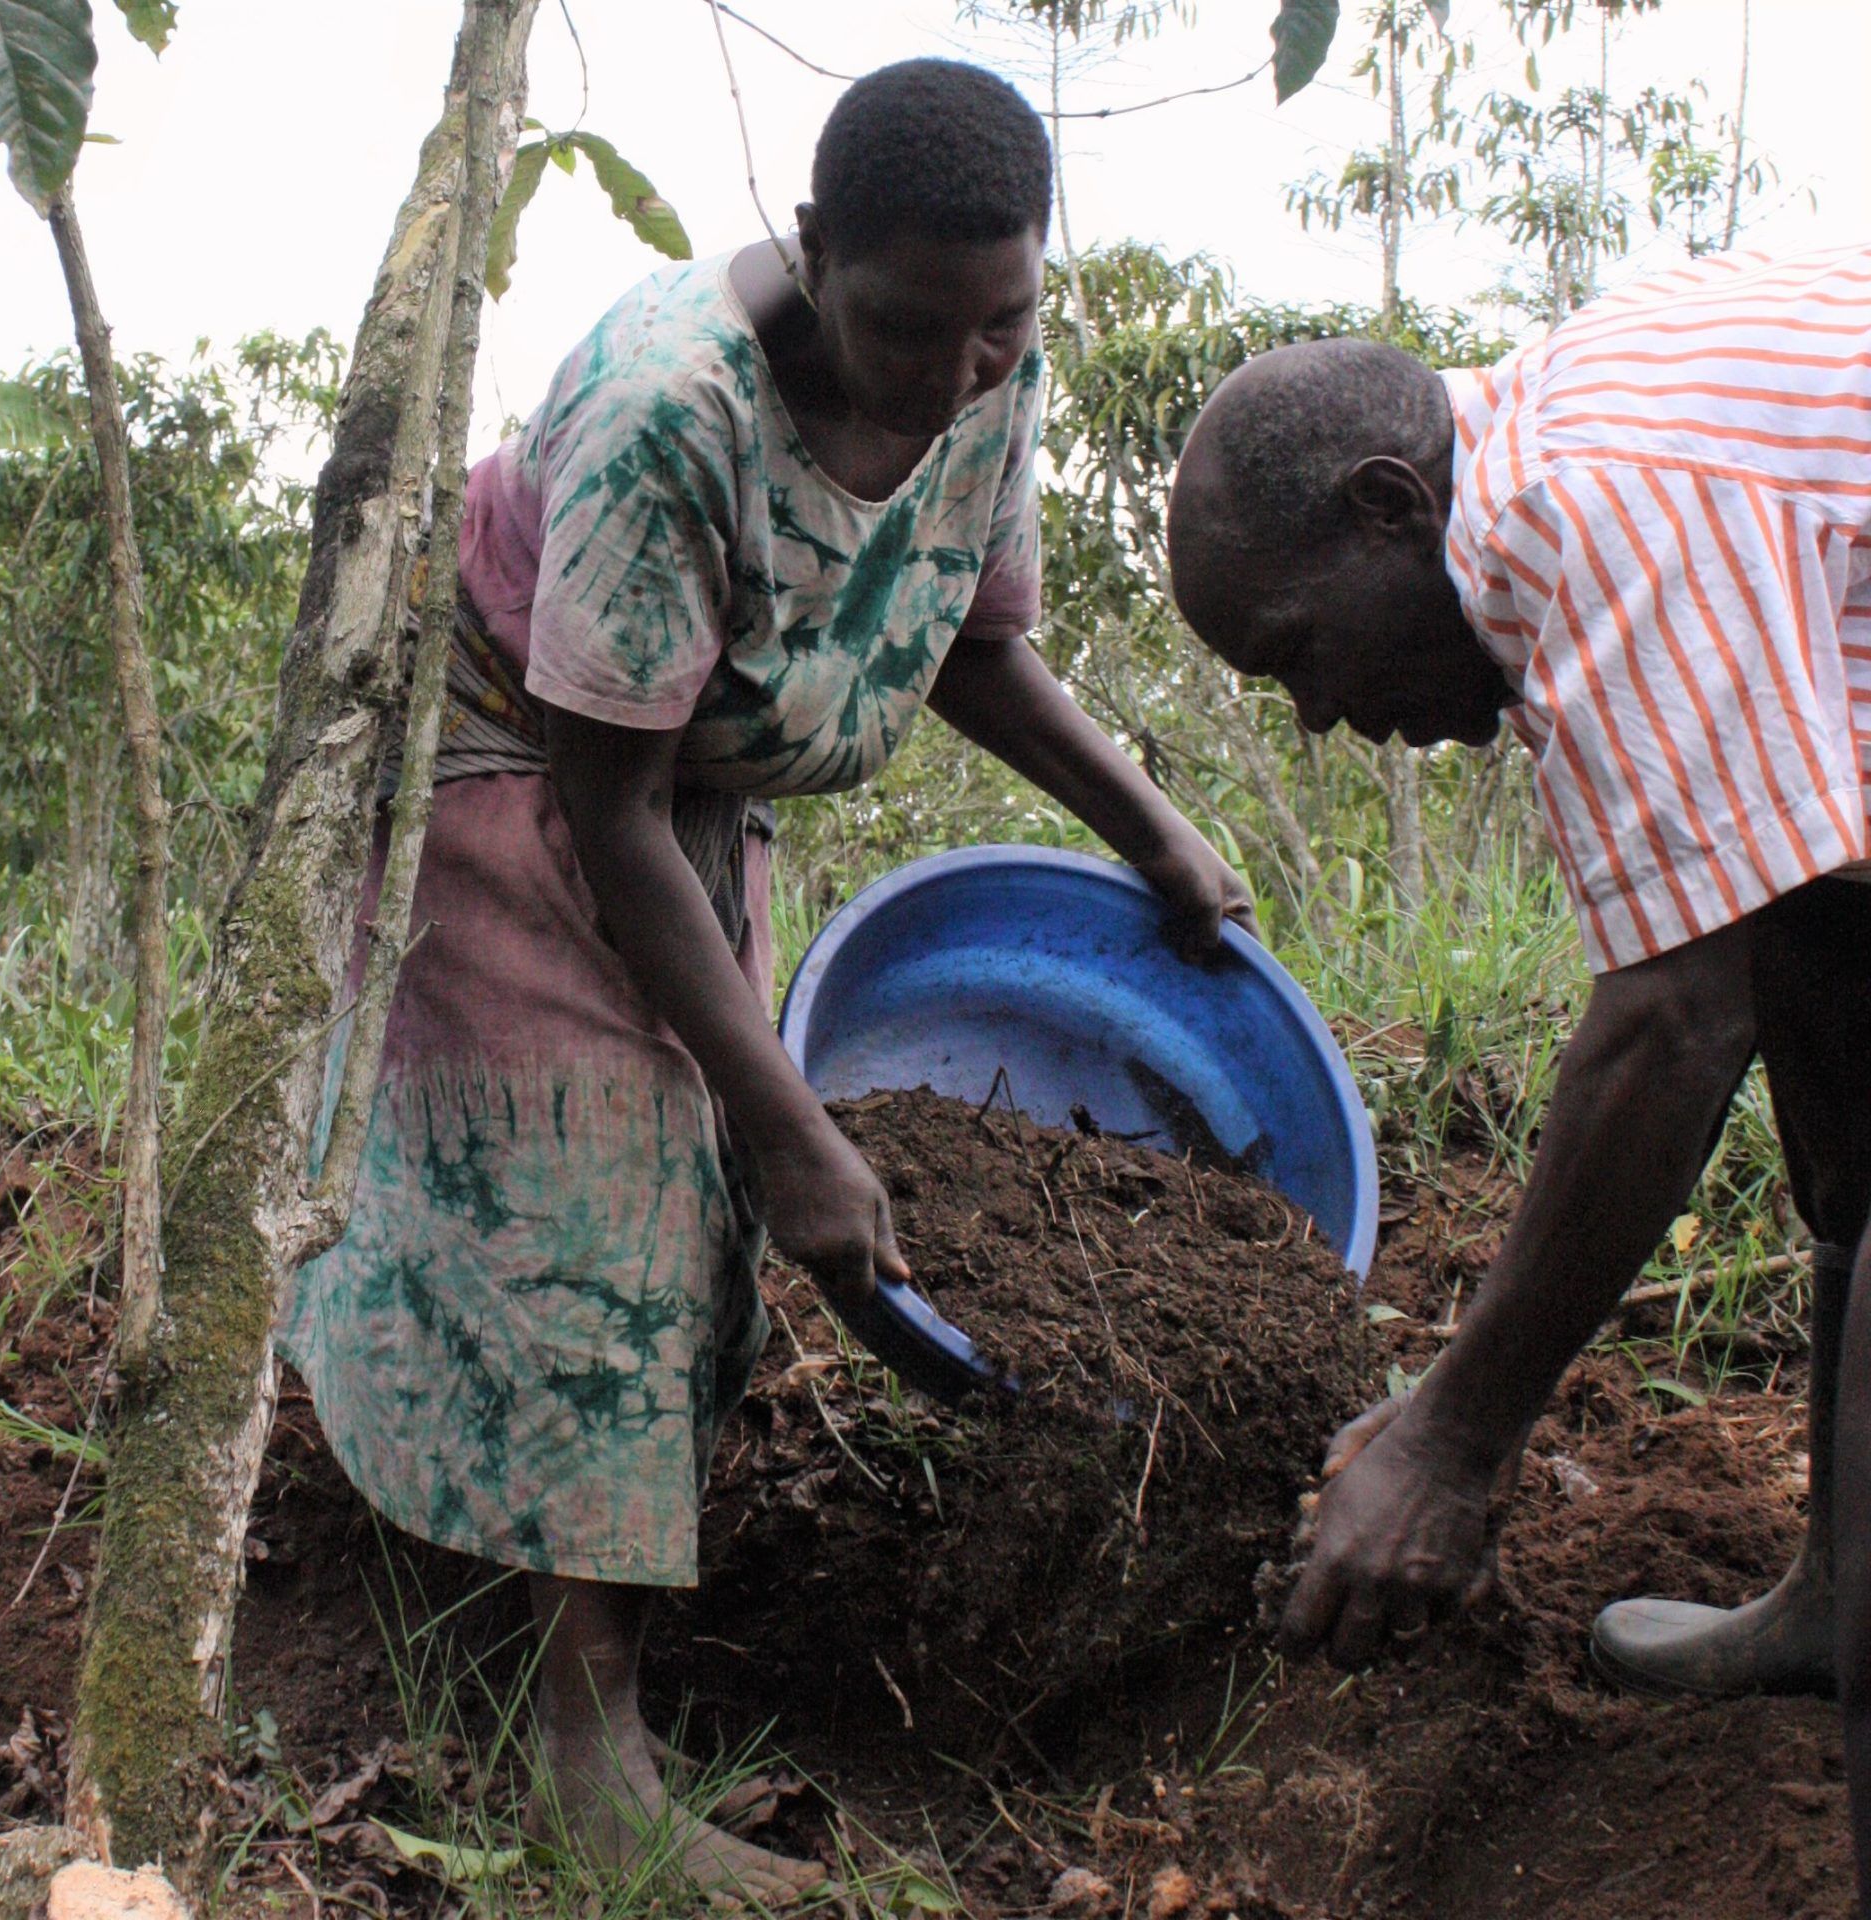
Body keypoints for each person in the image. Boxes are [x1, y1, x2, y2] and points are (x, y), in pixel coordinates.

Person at [280, 57, 1251, 1902]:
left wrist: (1154, 831)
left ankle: (547, 1564)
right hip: (521, 754)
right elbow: (610, 797)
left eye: (1003, 323)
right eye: (910, 325)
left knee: (695, 1187)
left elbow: (966, 636)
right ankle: (583, 1752)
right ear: (812, 255)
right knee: (604, 1188)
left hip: (682, 775)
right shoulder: (675, 407)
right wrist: (794, 1127)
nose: (961, 370)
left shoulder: (988, 365)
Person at [1163, 244, 1871, 1876]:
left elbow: (1671, 1026)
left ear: (1392, 509)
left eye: (1295, 654)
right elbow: (1790, 927)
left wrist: (1451, 1438)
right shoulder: (1555, 451)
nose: (1321, 719)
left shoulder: (1590, 516)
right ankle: (1842, 1591)